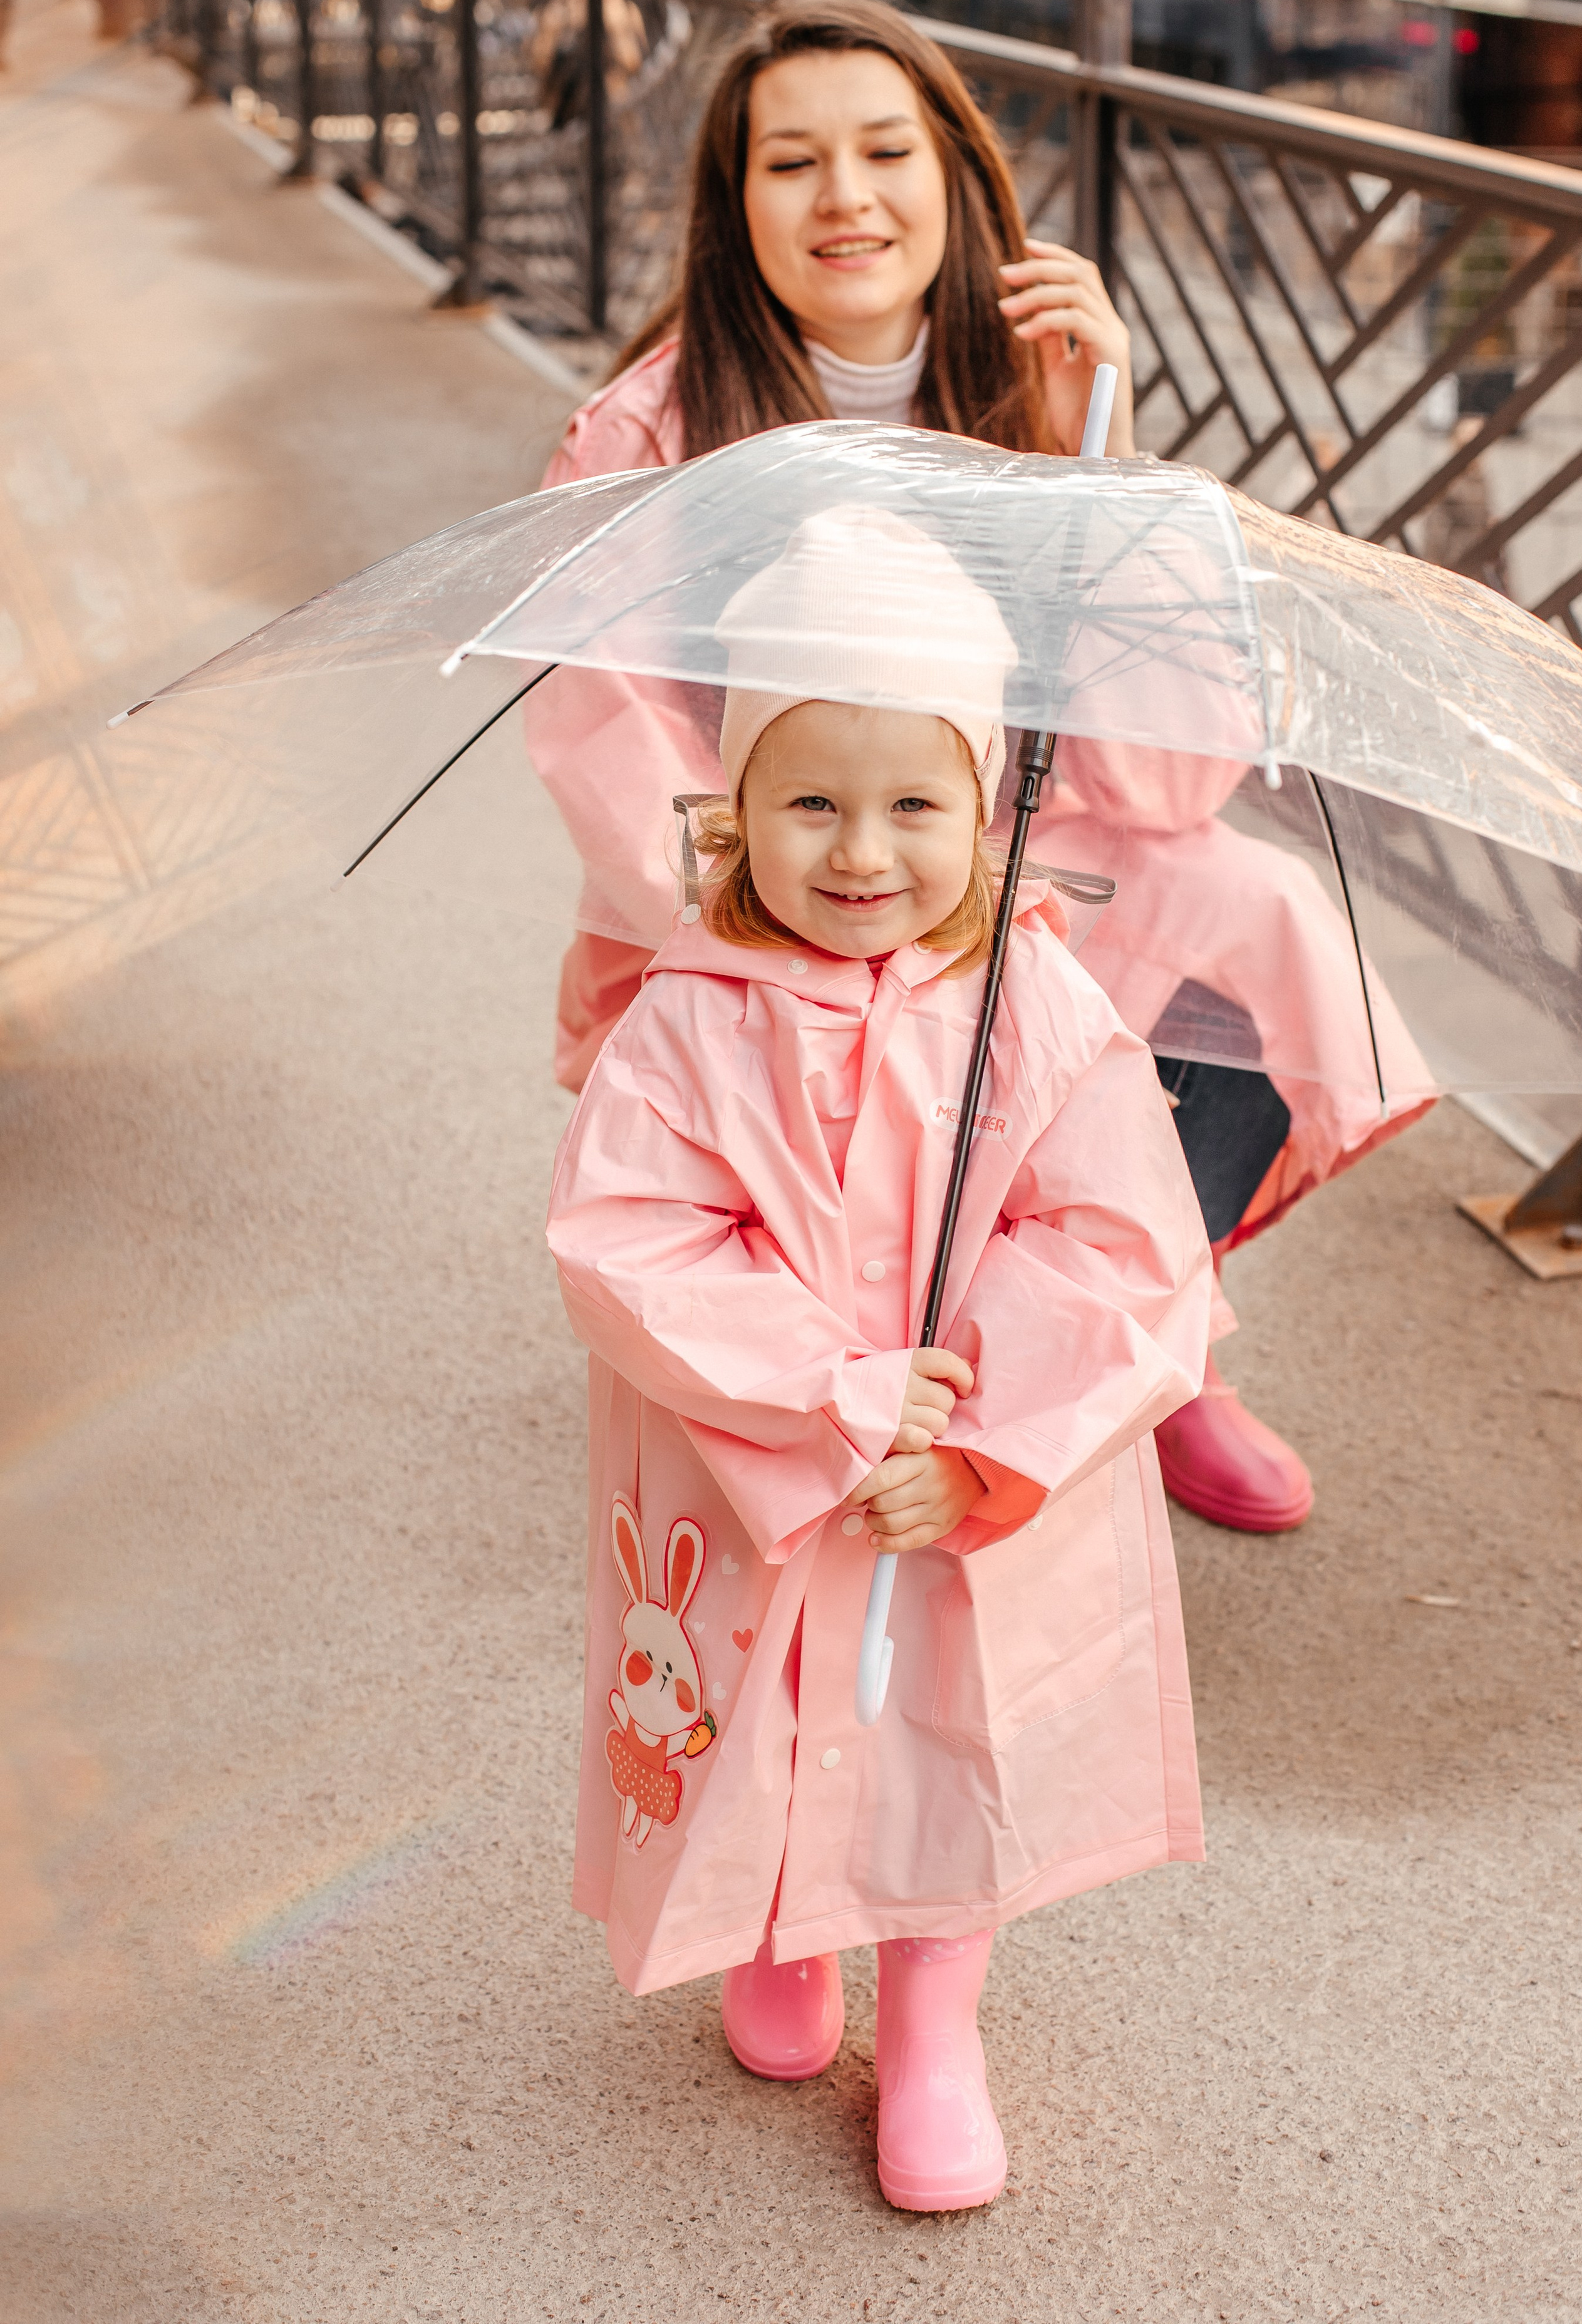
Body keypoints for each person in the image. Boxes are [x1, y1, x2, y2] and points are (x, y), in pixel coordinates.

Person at [527, 0, 1431, 1536]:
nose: (845, 199)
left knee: (1251, 918)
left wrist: (1104, 455)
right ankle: (854, 1368)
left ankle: (1142, 1341)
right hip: (773, 894)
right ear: (731, 199)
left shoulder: (1032, 399)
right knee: (908, 1010)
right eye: (789, 162)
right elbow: (612, 749)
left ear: (956, 179)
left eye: (886, 151)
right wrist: (836, 891)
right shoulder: (651, 436)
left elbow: (1159, 785)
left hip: (1021, 857)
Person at [545, 508, 1214, 2211]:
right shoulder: (688, 1019)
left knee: (944, 1738)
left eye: (917, 803)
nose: (862, 852)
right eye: (812, 801)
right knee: (761, 1718)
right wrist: (831, 1395)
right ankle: (777, 1930)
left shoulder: (1041, 1009)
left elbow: (1125, 1247)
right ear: (738, 812)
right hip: (760, 1455)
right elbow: (632, 1238)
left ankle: (932, 2025)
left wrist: (981, 1424)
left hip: (964, 1486)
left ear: (987, 809)